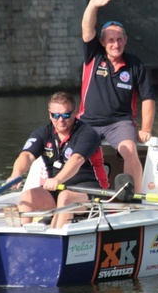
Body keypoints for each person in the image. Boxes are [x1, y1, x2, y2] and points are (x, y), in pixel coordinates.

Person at [79, 0, 155, 193]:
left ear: (126, 40)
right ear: (102, 42)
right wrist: (93, 5)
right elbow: (87, 27)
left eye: (119, 39)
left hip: (119, 123)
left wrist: (146, 129)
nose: (115, 44)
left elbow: (147, 98)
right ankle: (70, 192)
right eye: (111, 40)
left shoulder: (135, 63)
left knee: (129, 150)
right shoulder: (93, 55)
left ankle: (135, 195)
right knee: (74, 152)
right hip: (88, 121)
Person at [8, 91, 108, 229]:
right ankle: (18, 239)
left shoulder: (87, 133)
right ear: (49, 114)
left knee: (65, 198)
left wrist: (58, 179)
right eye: (55, 115)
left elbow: (77, 159)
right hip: (58, 189)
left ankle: (55, 240)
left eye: (65, 115)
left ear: (75, 112)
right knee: (27, 196)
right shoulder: (43, 133)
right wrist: (16, 174)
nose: (60, 120)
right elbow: (26, 156)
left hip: (91, 191)